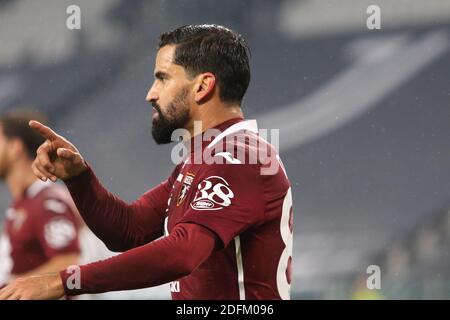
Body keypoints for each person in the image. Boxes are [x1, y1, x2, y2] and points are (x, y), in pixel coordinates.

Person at [0, 24, 293, 300]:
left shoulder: (240, 157)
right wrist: (79, 178)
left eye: (162, 78)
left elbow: (183, 253)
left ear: (203, 86)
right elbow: (128, 230)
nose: (150, 94)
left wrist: (61, 280)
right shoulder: (201, 161)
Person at [0, 111, 81, 290]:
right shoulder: (21, 205)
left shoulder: (47, 203)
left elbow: (69, 264)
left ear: (15, 147)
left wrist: (9, 290)